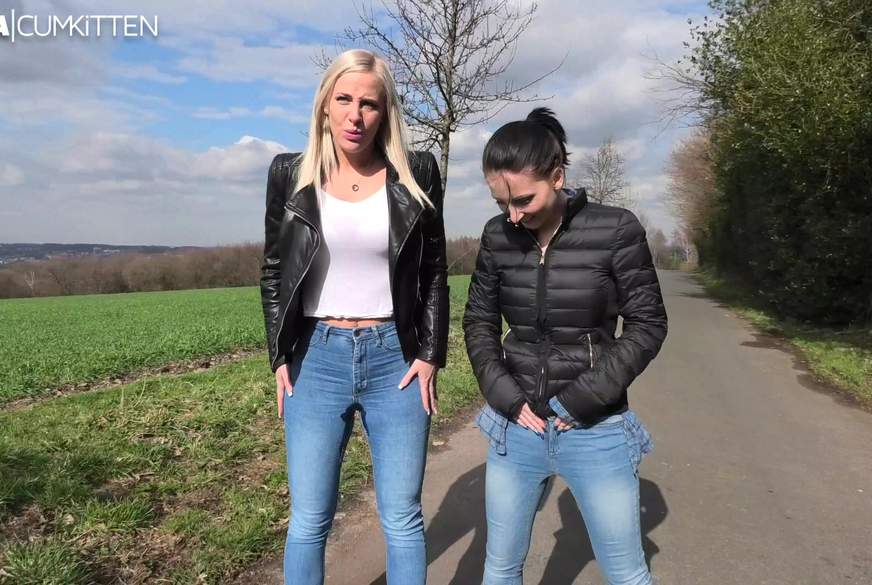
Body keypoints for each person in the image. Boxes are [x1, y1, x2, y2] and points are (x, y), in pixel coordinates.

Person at [259, 49, 449, 585]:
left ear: (385, 112)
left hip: (397, 360)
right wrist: (279, 355)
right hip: (316, 359)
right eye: (343, 99)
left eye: (369, 103)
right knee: (309, 520)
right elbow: (274, 270)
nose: (355, 115)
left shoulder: (417, 173)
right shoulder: (289, 174)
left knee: (402, 518)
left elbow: (435, 270)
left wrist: (430, 354)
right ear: (324, 105)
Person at [463, 108, 667, 585]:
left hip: (596, 429)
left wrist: (580, 399)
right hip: (516, 429)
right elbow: (479, 322)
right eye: (501, 202)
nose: (513, 216)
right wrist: (505, 397)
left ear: (557, 177)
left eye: (523, 200)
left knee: (627, 574)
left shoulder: (616, 230)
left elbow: (647, 324)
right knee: (499, 569)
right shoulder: (497, 237)